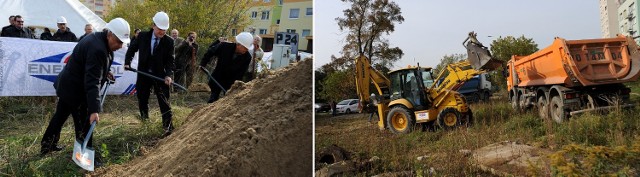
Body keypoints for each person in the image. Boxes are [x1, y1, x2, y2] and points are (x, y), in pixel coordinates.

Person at [40, 18, 130, 156]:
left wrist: (105, 73)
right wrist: (94, 110)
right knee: (84, 123)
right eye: (119, 42)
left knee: (59, 117)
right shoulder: (98, 48)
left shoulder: (98, 39)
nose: (120, 46)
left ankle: (47, 145)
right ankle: (84, 155)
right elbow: (92, 81)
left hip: (69, 85)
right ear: (110, 34)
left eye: (123, 43)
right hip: (76, 90)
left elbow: (91, 67)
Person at [124, 11, 175, 137]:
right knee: (142, 98)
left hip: (160, 75)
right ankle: (145, 121)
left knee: (164, 100)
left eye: (164, 30)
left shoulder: (169, 42)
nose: (162, 32)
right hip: (144, 74)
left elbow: (170, 60)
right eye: (160, 29)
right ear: (153, 25)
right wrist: (127, 62)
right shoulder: (142, 36)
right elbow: (132, 49)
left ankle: (167, 126)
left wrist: (168, 75)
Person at [200, 32, 253, 103]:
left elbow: (241, 73)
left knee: (227, 102)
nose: (246, 50)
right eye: (245, 48)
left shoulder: (247, 57)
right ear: (239, 44)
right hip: (218, 76)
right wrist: (203, 64)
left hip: (230, 82)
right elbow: (210, 51)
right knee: (213, 98)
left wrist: (235, 86)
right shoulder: (224, 46)